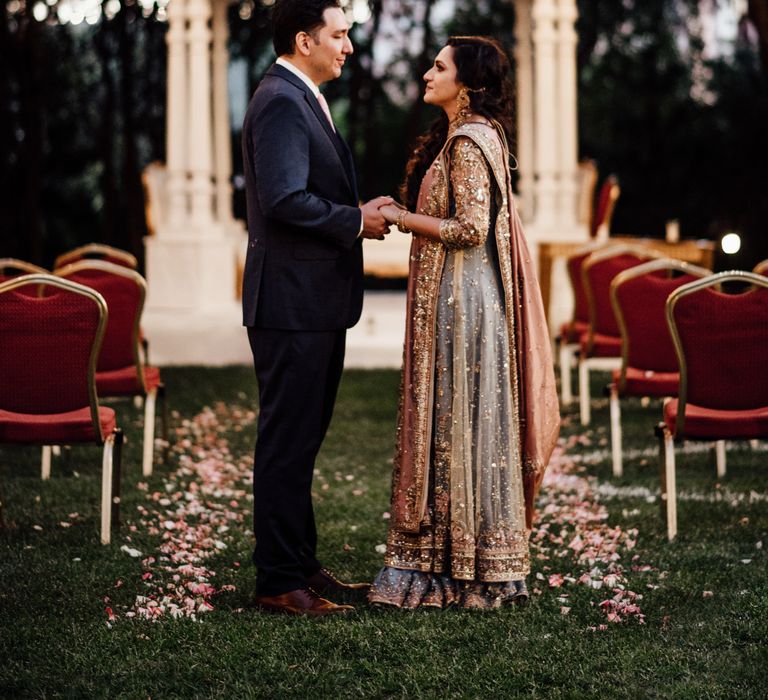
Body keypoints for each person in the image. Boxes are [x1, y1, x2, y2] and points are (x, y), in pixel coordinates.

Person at [369, 36, 560, 610]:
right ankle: (463, 560)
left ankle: (465, 567)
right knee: (455, 422)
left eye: (439, 66)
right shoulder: (470, 136)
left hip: (464, 304)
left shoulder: (469, 143)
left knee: (459, 421)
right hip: (459, 298)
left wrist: (402, 217)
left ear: (469, 83)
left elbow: (471, 228)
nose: (428, 73)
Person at [241, 0, 392, 617]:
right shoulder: (281, 99)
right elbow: (283, 199)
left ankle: (299, 564)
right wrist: (356, 220)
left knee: (301, 440)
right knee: (287, 440)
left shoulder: (297, 95)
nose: (348, 47)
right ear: (305, 40)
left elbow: (308, 190)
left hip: (312, 302)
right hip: (291, 303)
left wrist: (357, 208)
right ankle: (279, 580)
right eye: (339, 35)